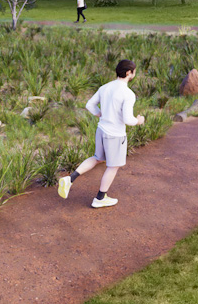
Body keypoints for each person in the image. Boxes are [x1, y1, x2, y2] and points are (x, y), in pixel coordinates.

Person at [58, 58, 144, 209]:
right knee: (113, 166)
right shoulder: (128, 93)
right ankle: (100, 198)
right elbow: (127, 119)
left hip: (102, 130)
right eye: (134, 71)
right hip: (115, 135)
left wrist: (99, 114)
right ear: (129, 73)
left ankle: (70, 179)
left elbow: (89, 105)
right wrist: (138, 120)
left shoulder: (105, 87)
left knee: (97, 158)